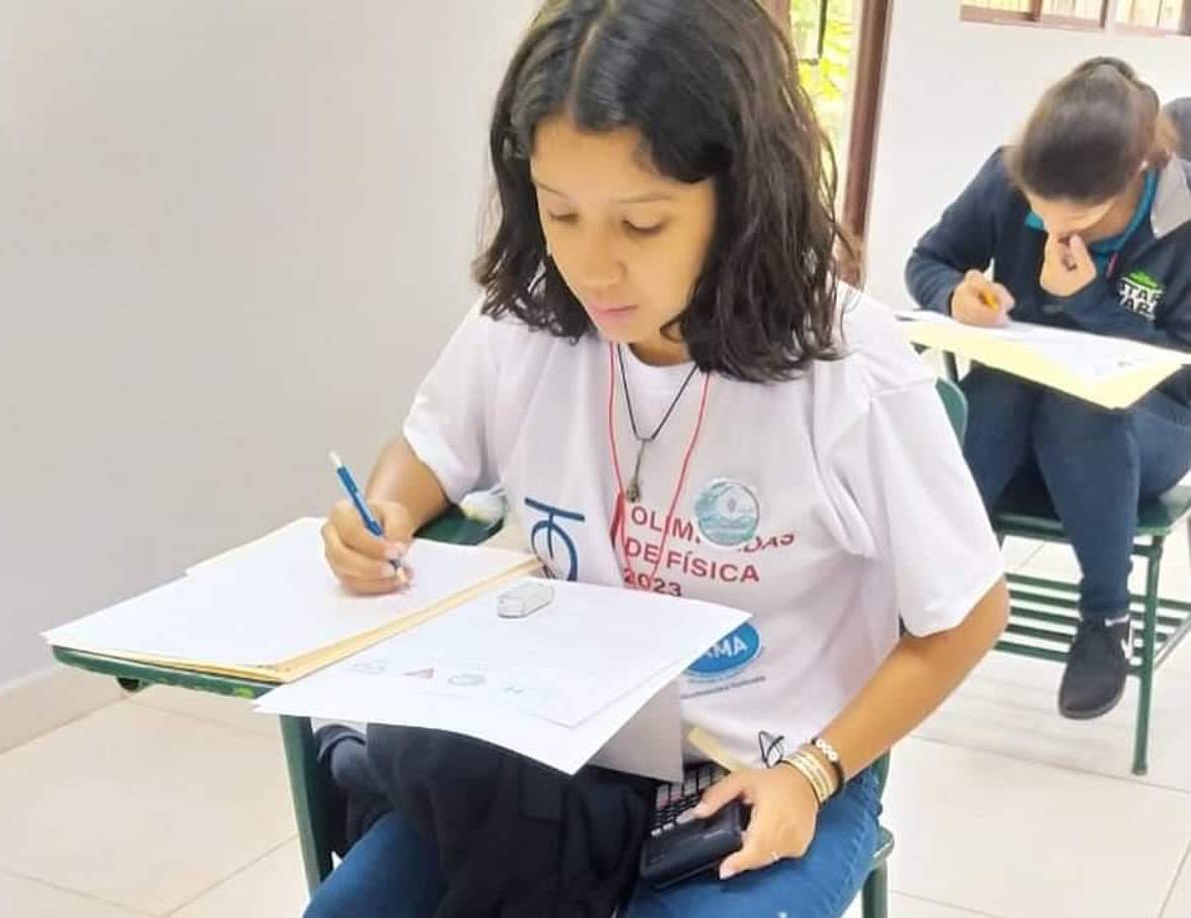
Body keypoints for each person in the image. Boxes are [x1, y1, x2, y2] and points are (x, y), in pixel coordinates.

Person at [309, 0, 1008, 914]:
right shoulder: (523, 323)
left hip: (759, 770)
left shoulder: (847, 371)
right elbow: (428, 451)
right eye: (559, 214)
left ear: (740, 198)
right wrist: (388, 515)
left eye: (641, 226)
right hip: (549, 758)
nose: (592, 269)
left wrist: (815, 770)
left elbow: (966, 613)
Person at [907, 57, 1191, 722]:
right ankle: (942, 590)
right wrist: (954, 295)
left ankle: (1104, 619)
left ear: (1135, 177)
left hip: (1144, 435)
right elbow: (928, 260)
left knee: (1080, 403)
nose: (1053, 229)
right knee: (1003, 387)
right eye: (1037, 211)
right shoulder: (1007, 175)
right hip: (1014, 430)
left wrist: (1090, 300)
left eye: (1080, 218)